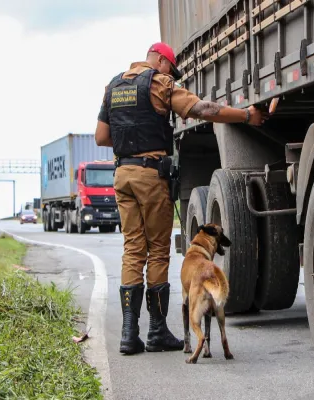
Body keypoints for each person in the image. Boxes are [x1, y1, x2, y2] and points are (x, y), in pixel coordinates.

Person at [95, 42, 268, 355]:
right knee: (158, 252)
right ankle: (157, 332)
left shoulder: (113, 87)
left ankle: (128, 335)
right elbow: (204, 110)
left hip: (123, 175)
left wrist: (130, 141)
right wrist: (246, 116)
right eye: (170, 70)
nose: (171, 76)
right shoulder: (158, 84)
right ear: (161, 61)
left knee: (133, 250)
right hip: (149, 176)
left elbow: (102, 137)